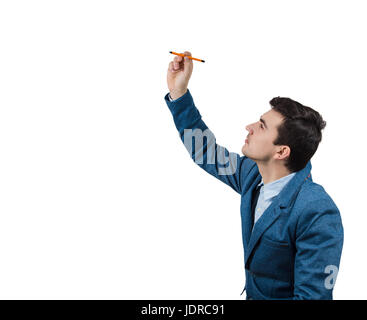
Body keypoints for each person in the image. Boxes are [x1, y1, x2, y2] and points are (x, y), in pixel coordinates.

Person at [164, 51, 343, 300]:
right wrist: (179, 93)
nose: (249, 127)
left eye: (261, 126)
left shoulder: (316, 211)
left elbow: (312, 297)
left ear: (281, 151)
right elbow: (205, 151)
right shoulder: (252, 175)